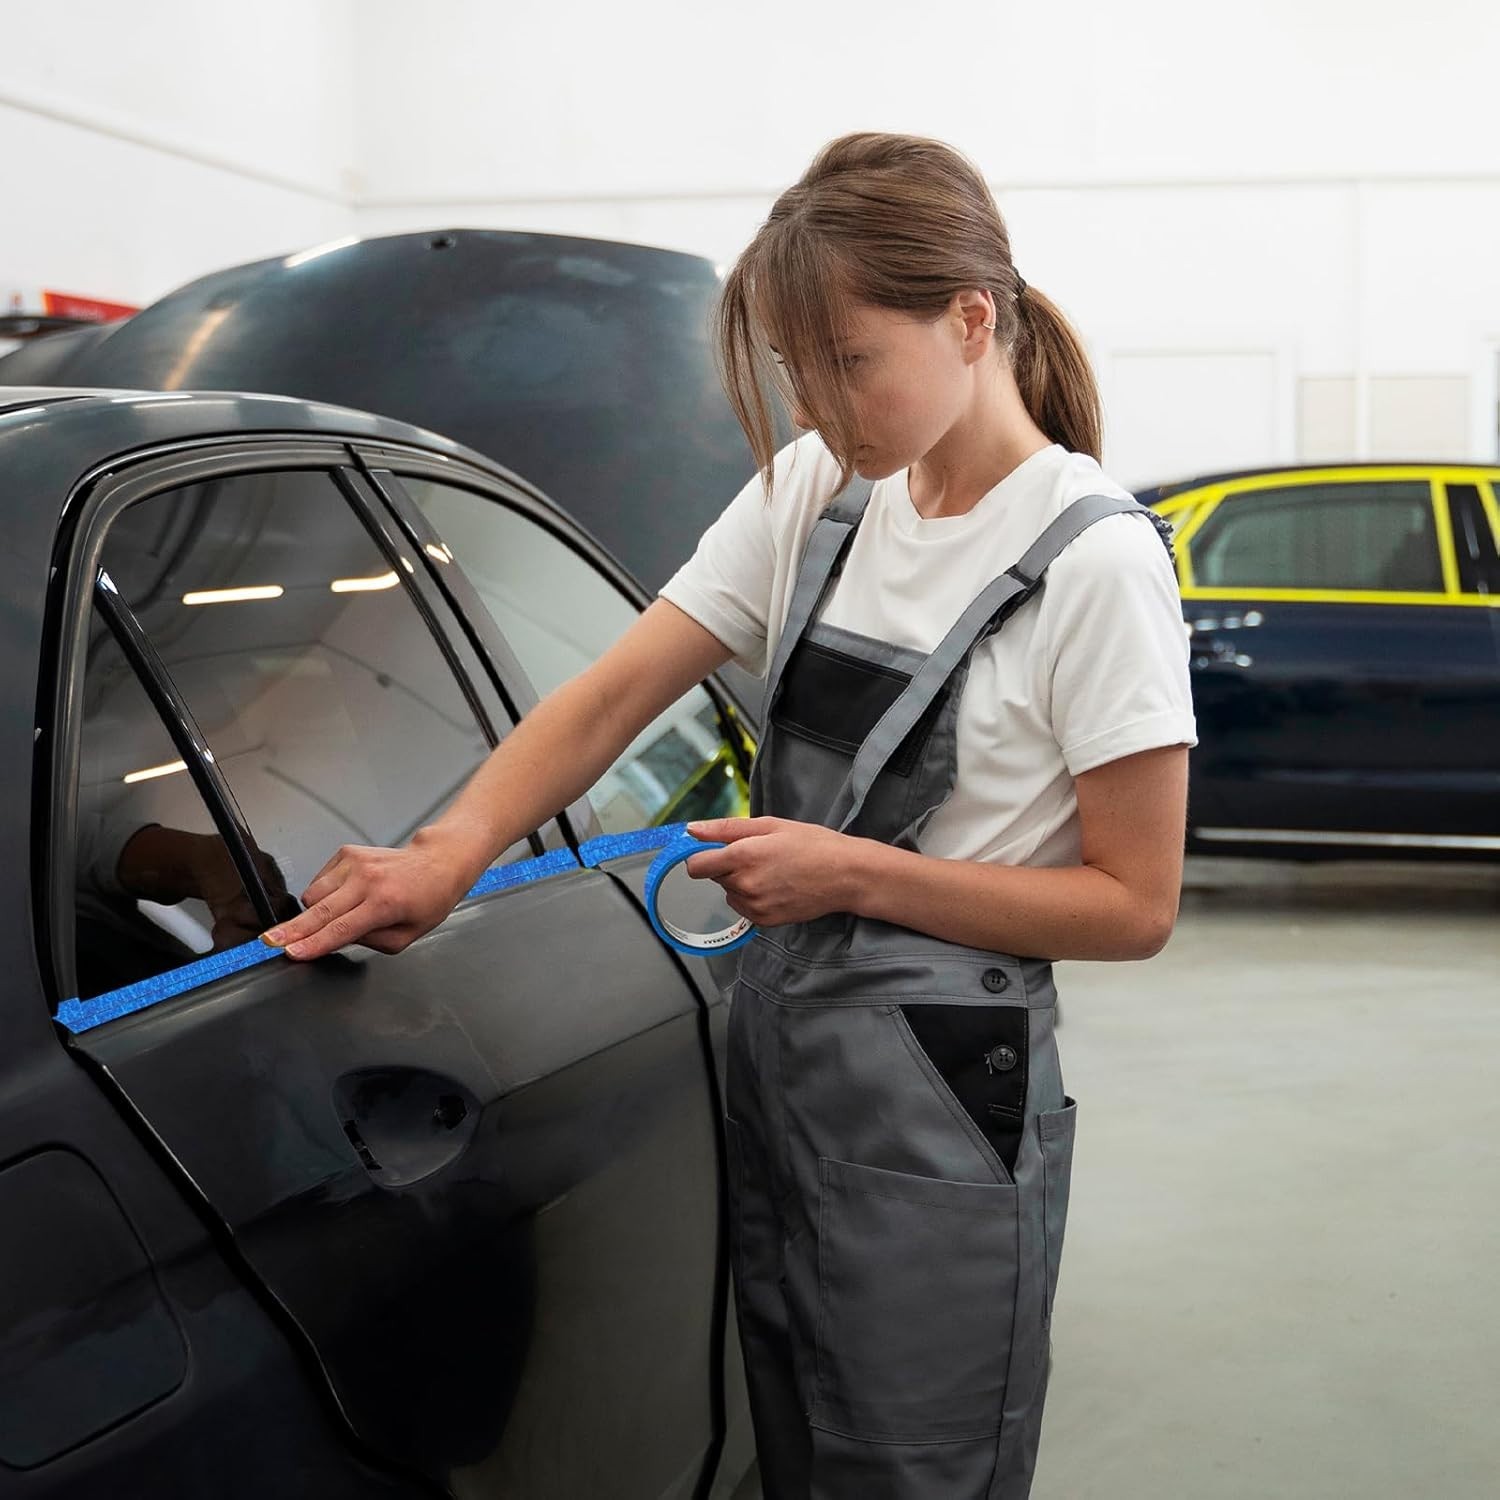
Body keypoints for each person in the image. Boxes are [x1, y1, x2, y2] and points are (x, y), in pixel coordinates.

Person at [262, 132, 1197, 1499]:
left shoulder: (1093, 562)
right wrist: (448, 852)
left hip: (944, 1082)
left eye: (852, 361)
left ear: (971, 319)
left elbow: (1135, 905)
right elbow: (611, 694)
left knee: (913, 1462)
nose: (823, 403)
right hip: (785, 1043)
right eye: (797, 370)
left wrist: (852, 876)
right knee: (797, 1428)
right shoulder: (818, 491)